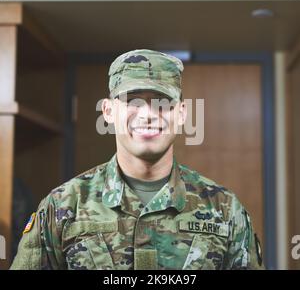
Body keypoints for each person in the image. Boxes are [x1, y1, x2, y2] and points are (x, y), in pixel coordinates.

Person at [10, 49, 264, 270]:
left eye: (162, 103)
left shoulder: (224, 209)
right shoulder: (63, 206)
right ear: (108, 112)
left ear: (182, 113)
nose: (148, 115)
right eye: (133, 101)